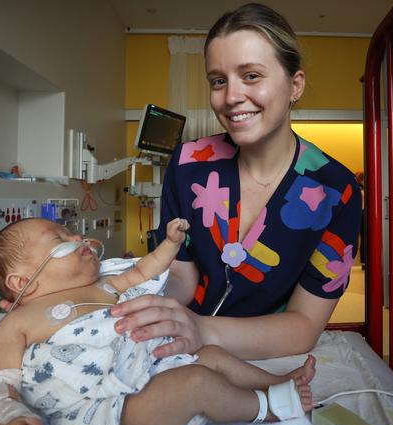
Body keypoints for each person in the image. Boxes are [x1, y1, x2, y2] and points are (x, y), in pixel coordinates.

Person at [109, 3, 362, 362]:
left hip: (268, 355)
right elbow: (182, 273)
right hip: (178, 351)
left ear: (295, 85)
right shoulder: (188, 164)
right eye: (218, 80)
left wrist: (201, 330)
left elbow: (305, 324)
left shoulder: (337, 191)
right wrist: (146, 304)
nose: (230, 97)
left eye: (252, 76)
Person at [0, 217, 316, 425]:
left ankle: (280, 382)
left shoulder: (105, 285)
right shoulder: (19, 321)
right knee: (196, 382)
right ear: (22, 280)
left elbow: (143, 272)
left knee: (210, 355)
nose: (77, 236)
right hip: (110, 408)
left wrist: (169, 244)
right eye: (59, 239)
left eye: (70, 230)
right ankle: (269, 409)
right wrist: (11, 419)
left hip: (152, 369)